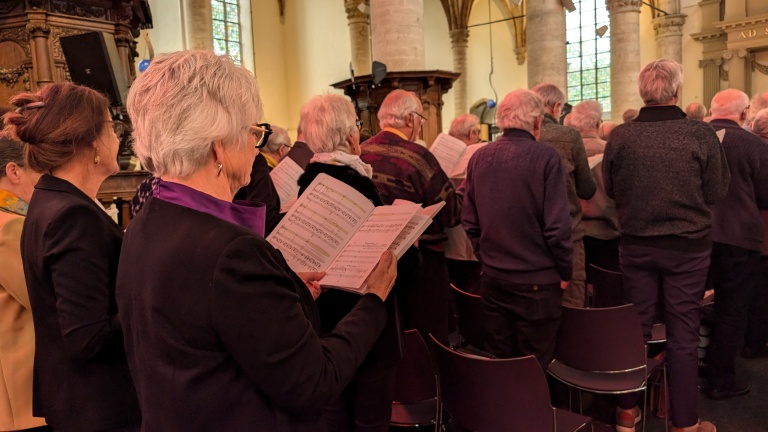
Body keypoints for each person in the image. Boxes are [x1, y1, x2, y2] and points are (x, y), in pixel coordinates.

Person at [119, 50, 397, 432]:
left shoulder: (148, 219)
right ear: (218, 146)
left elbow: (206, 315)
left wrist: (282, 290)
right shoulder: (232, 253)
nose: (256, 147)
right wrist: (374, 299)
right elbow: (314, 382)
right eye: (253, 133)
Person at [5, 83, 141, 431]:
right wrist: (152, 293)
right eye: (111, 126)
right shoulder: (71, 215)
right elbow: (88, 337)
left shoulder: (51, 199)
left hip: (79, 399)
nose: (117, 136)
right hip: (98, 405)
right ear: (92, 143)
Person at [603, 59, 729, 432]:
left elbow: (610, 190)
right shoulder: (699, 134)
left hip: (636, 245)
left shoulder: (621, 136)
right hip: (686, 248)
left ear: (644, 93)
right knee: (683, 334)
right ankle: (684, 423)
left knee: (636, 328)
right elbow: (717, 191)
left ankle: (627, 412)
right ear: (676, 92)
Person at [295, 93, 412, 432]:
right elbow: (385, 263)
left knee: (335, 416)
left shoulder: (308, 179)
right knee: (369, 418)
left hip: (325, 322)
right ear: (349, 136)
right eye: (358, 127)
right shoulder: (356, 182)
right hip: (364, 327)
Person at [462, 88, 572, 368]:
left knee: (502, 362)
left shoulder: (478, 158)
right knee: (535, 365)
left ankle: (505, 412)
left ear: (501, 120)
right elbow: (557, 227)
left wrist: (486, 258)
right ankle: (534, 412)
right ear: (537, 122)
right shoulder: (546, 158)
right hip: (537, 282)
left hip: (494, 280)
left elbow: (470, 221)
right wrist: (565, 270)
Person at [361, 89, 461, 341]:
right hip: (421, 265)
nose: (419, 126)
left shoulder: (360, 153)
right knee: (427, 340)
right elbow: (451, 214)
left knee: (391, 337)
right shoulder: (418, 157)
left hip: (371, 261)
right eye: (420, 120)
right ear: (409, 120)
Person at [705, 89, 768, 400]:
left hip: (694, 236)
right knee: (731, 310)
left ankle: (687, 373)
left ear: (711, 110)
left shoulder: (692, 138)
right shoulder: (755, 144)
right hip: (738, 237)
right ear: (744, 114)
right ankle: (720, 379)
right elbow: (766, 197)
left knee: (686, 306)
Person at [531, 83, 596, 308]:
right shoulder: (568, 136)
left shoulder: (521, 138)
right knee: (570, 305)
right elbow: (587, 189)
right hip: (568, 236)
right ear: (557, 106)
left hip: (529, 239)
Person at [0, 135, 48, 432]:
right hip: (21, 393)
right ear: (14, 171)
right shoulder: (10, 225)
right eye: (40, 171)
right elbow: (40, 297)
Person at [571, 100, 620, 272]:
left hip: (575, 233)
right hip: (607, 233)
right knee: (606, 290)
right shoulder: (611, 151)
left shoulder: (566, 153)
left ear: (574, 124)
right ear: (599, 123)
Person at [446, 114, 482, 293]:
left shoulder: (441, 152)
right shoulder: (481, 154)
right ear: (472, 133)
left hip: (449, 240)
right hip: (472, 237)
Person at [744, 108, 768, 358]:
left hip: (744, 234)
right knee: (761, 295)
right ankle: (755, 342)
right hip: (762, 233)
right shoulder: (763, 152)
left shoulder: (748, 147)